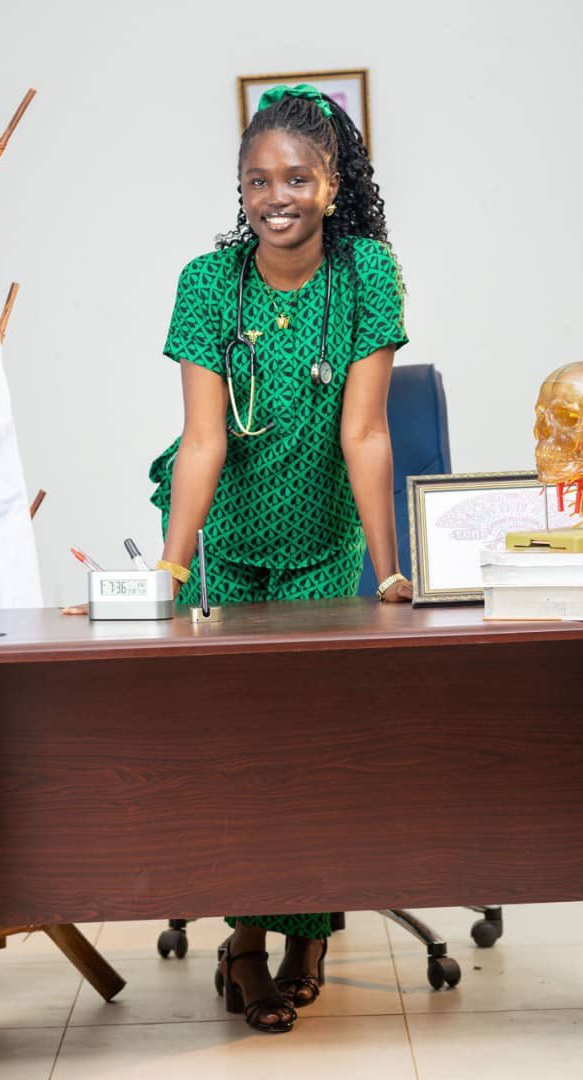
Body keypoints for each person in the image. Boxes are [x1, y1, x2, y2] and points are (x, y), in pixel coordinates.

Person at [147, 83, 411, 1034]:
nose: (276, 194)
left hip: (318, 543)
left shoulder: (366, 276)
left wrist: (387, 572)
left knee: (307, 748)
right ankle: (246, 947)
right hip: (226, 544)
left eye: (297, 176)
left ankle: (307, 942)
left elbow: (368, 433)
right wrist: (171, 573)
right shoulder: (207, 283)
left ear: (333, 186)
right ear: (241, 190)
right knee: (243, 751)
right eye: (257, 179)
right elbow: (203, 441)